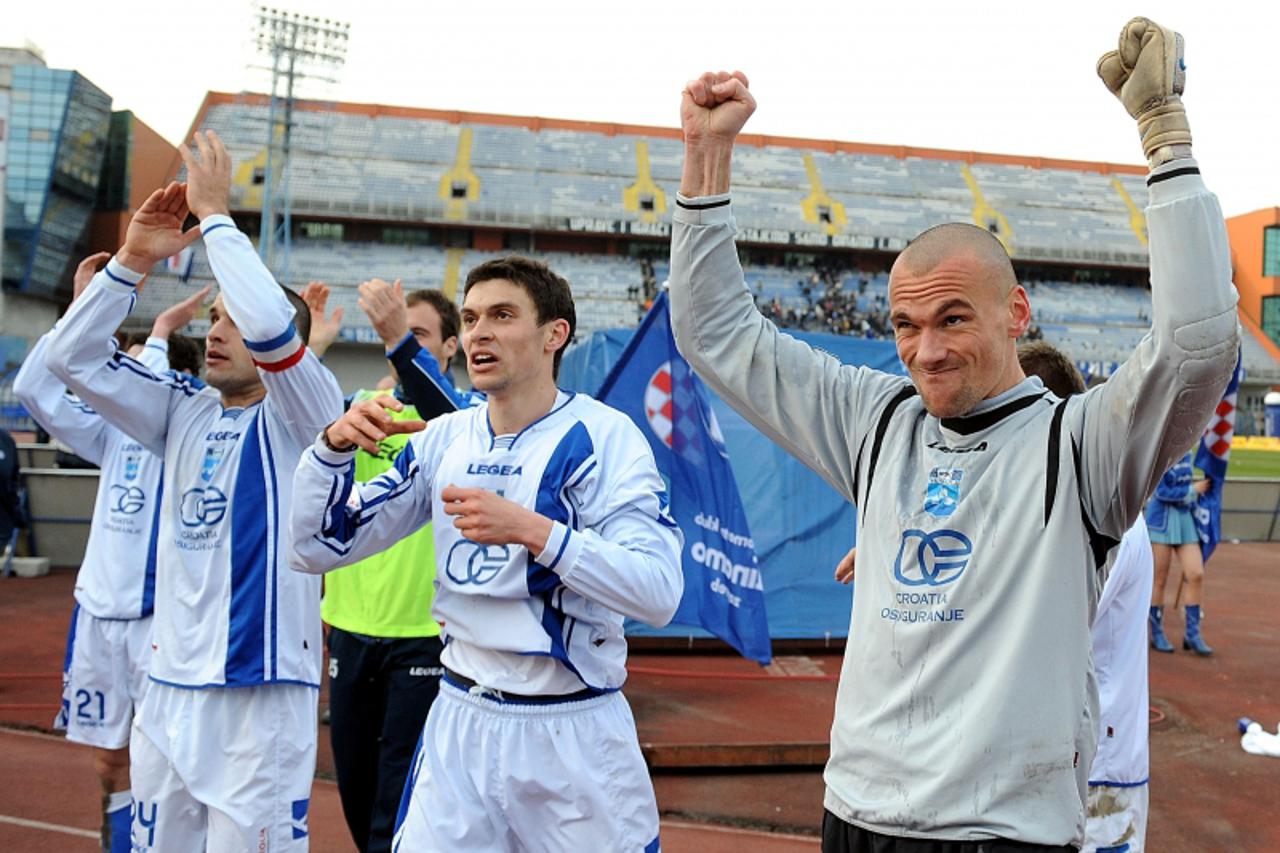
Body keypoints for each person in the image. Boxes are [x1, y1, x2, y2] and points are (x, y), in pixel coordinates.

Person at [668, 17, 1237, 851]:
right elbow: (718, 335)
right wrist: (704, 159)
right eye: (905, 323)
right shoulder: (877, 419)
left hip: (999, 831)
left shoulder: (1080, 448)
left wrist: (1164, 134)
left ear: (1017, 312)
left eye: (952, 318)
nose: (924, 350)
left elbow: (1196, 345)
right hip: (854, 813)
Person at [288, 255, 684, 850]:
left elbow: (658, 592)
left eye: (502, 315)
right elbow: (314, 545)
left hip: (571, 730)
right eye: (471, 318)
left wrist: (536, 531)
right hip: (460, 719)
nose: (479, 333)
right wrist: (331, 449)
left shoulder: (606, 437)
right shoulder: (447, 436)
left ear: (556, 335)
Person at [43, 130, 343, 851]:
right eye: (214, 318)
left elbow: (275, 328)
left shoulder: (303, 410)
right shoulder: (182, 407)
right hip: (166, 687)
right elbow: (68, 355)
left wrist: (215, 219)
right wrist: (134, 260)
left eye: (232, 323)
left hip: (258, 693)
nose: (217, 332)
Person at [14, 251, 206, 852]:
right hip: (96, 618)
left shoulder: (187, 434)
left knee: (167, 768)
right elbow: (33, 386)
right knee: (109, 766)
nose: (112, 381)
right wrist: (80, 312)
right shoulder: (108, 436)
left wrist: (159, 335)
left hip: (160, 627)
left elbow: (150, 383)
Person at [306, 276, 474, 853]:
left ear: (449, 347)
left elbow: (455, 419)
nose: (400, 342)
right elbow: (301, 439)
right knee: (353, 785)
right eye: (396, 334)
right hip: (350, 630)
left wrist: (402, 343)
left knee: (401, 793)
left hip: (421, 635)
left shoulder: (465, 420)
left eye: (419, 335)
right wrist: (312, 350)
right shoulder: (363, 410)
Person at [1017, 342, 1153, 853]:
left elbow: (1046, 615)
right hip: (1070, 758)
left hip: (1101, 773)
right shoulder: (1068, 502)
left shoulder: (1109, 516)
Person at [1144, 451, 1213, 655]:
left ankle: (1192, 633)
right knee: (1159, 580)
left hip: (1184, 519)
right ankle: (1156, 633)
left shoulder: (1187, 451)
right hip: (1161, 521)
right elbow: (1161, 492)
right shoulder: (1160, 451)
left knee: (1196, 574)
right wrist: (1192, 490)